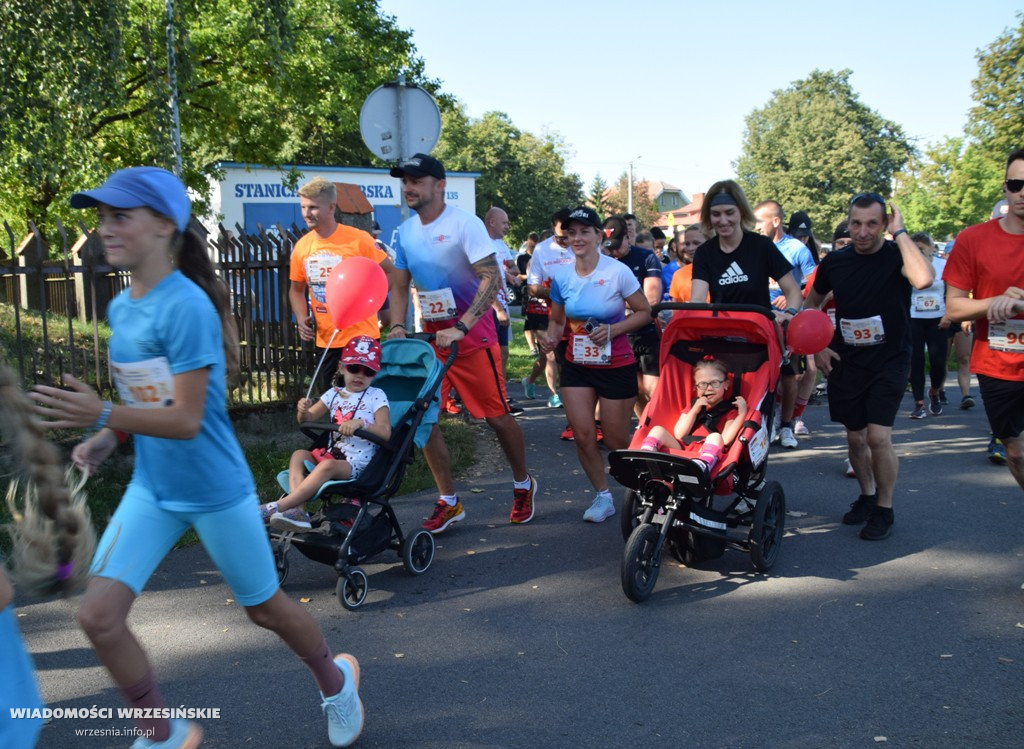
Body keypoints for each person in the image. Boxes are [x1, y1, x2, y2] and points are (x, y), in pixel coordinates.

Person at [30, 167, 363, 747]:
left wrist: (103, 416)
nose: (106, 228)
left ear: (163, 225)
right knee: (97, 617)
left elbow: (186, 420)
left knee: (265, 609)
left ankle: (337, 683)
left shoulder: (186, 306)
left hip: (214, 490)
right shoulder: (124, 308)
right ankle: (161, 733)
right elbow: (147, 398)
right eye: (103, 216)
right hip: (154, 491)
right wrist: (110, 437)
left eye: (120, 216)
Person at [386, 153, 539, 530]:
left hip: (472, 336)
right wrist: (396, 326)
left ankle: (523, 483)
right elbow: (400, 284)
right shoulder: (405, 232)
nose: (408, 187)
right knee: (425, 420)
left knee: (496, 417)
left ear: (439, 186)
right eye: (405, 180)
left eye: (416, 180)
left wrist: (464, 325)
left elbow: (490, 279)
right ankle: (449, 500)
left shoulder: (464, 224)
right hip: (432, 340)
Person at [806, 192, 935, 540]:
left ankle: (885, 508)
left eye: (872, 224)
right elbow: (810, 306)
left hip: (890, 359)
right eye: (856, 223)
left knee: (878, 437)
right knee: (855, 437)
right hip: (848, 360)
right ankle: (866, 496)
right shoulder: (835, 262)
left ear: (884, 224)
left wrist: (902, 233)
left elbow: (924, 280)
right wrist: (818, 348)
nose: (863, 232)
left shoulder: (898, 255)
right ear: (849, 223)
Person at [538, 206, 652, 523]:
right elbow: (557, 321)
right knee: (584, 435)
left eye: (584, 231)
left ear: (599, 235)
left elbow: (644, 312)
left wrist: (614, 330)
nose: (577, 238)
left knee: (616, 440)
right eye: (571, 233)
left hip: (617, 364)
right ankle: (603, 497)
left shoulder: (617, 272)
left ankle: (647, 485)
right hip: (577, 365)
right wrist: (550, 338)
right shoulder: (561, 276)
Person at [944, 150, 1024, 491]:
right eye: (1017, 184)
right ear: (1005, 188)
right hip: (997, 363)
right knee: (1016, 453)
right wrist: (996, 302)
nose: (1023, 192)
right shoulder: (973, 239)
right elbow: (954, 309)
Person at [260, 336, 391, 531]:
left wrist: (362, 424)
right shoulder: (334, 393)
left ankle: (281, 506)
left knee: (327, 465)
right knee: (299, 455)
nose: (360, 375)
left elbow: (385, 432)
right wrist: (302, 410)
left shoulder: (376, 395)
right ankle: (299, 510)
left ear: (375, 373)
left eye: (368, 371)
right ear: (341, 367)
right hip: (332, 454)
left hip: (357, 464)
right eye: (354, 368)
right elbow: (306, 420)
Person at [289, 177, 395, 395]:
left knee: (362, 403)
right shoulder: (302, 247)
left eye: (313, 207)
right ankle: (334, 432)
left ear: (331, 207)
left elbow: (390, 271)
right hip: (327, 339)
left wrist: (371, 301)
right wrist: (301, 318)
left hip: (361, 336)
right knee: (332, 400)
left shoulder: (358, 240)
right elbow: (296, 290)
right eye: (303, 207)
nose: (307, 213)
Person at [754, 200, 818, 449]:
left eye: (760, 222)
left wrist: (791, 294)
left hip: (788, 320)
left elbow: (815, 281)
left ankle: (787, 425)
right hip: (759, 319)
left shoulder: (796, 248)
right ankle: (765, 422)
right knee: (760, 372)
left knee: (789, 374)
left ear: (776, 221)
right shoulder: (754, 246)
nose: (756, 227)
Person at [639, 357, 748, 476]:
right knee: (657, 430)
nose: (709, 388)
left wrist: (741, 414)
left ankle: (702, 466)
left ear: (726, 385)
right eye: (702, 384)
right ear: (696, 388)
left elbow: (725, 439)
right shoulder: (693, 405)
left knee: (715, 436)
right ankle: (646, 456)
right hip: (683, 447)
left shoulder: (729, 411)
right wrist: (694, 411)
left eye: (715, 383)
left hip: (707, 451)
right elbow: (679, 434)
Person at [604, 215, 663, 417]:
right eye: (609, 247)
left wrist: (621, 302)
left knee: (652, 387)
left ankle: (660, 425)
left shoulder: (646, 257)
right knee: (634, 388)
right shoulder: (604, 261)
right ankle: (645, 426)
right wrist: (632, 304)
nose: (614, 252)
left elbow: (651, 299)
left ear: (628, 237)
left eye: (617, 246)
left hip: (646, 333)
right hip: (619, 336)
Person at [527, 208, 576, 408]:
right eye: (561, 238)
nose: (567, 242)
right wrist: (554, 294)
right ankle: (556, 394)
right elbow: (532, 288)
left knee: (571, 360)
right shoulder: (541, 250)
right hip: (547, 312)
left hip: (578, 316)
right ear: (552, 229)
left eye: (569, 236)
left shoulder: (583, 245)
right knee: (551, 355)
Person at [483, 206, 523, 414]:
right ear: (491, 222)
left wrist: (509, 274)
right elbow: (482, 280)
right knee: (489, 353)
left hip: (502, 304)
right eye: (504, 223)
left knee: (503, 352)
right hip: (487, 307)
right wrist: (497, 308)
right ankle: (489, 398)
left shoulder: (501, 244)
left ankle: (501, 395)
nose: (507, 227)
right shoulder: (480, 243)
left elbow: (511, 266)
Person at [907, 232, 949, 419]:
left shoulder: (942, 265)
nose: (920, 252)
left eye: (923, 248)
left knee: (938, 362)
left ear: (932, 248)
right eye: (915, 248)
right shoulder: (907, 267)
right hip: (914, 317)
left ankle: (935, 391)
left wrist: (949, 314)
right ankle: (919, 403)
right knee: (916, 361)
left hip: (938, 318)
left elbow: (951, 291)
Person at [787, 210, 821, 438]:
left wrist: (796, 294)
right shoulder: (778, 249)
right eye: (797, 236)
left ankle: (797, 416)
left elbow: (816, 287)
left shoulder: (808, 255)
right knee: (788, 374)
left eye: (805, 236)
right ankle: (782, 412)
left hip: (803, 318)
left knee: (810, 369)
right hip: (777, 317)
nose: (801, 240)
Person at [669, 225, 708, 303]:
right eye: (687, 244)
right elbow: (676, 311)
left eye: (696, 243)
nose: (690, 248)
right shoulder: (679, 275)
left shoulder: (724, 270)